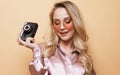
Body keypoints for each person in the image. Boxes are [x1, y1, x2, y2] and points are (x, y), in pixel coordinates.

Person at [18, 1, 96, 75]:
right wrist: (36, 50)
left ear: (76, 22)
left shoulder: (85, 58)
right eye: (57, 23)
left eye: (67, 21)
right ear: (53, 25)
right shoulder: (42, 50)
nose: (62, 27)